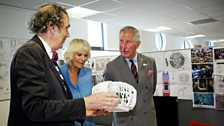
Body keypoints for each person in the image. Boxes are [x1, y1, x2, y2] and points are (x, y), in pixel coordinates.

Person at [8, 4, 119, 126]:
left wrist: (87, 110)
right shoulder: (30, 53)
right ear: (52, 27)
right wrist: (85, 103)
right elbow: (36, 108)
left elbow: (56, 102)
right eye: (66, 28)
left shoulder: (46, 56)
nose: (68, 34)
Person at [103, 26, 157, 126]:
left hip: (147, 120)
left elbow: (151, 90)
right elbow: (107, 97)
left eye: (128, 42)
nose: (123, 47)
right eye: (121, 41)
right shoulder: (111, 67)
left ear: (137, 44)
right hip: (124, 121)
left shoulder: (150, 62)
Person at [60, 39, 95, 126]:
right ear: (71, 54)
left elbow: (92, 97)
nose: (83, 59)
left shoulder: (88, 73)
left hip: (88, 122)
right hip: (68, 122)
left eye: (85, 55)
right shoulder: (59, 73)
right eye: (79, 55)